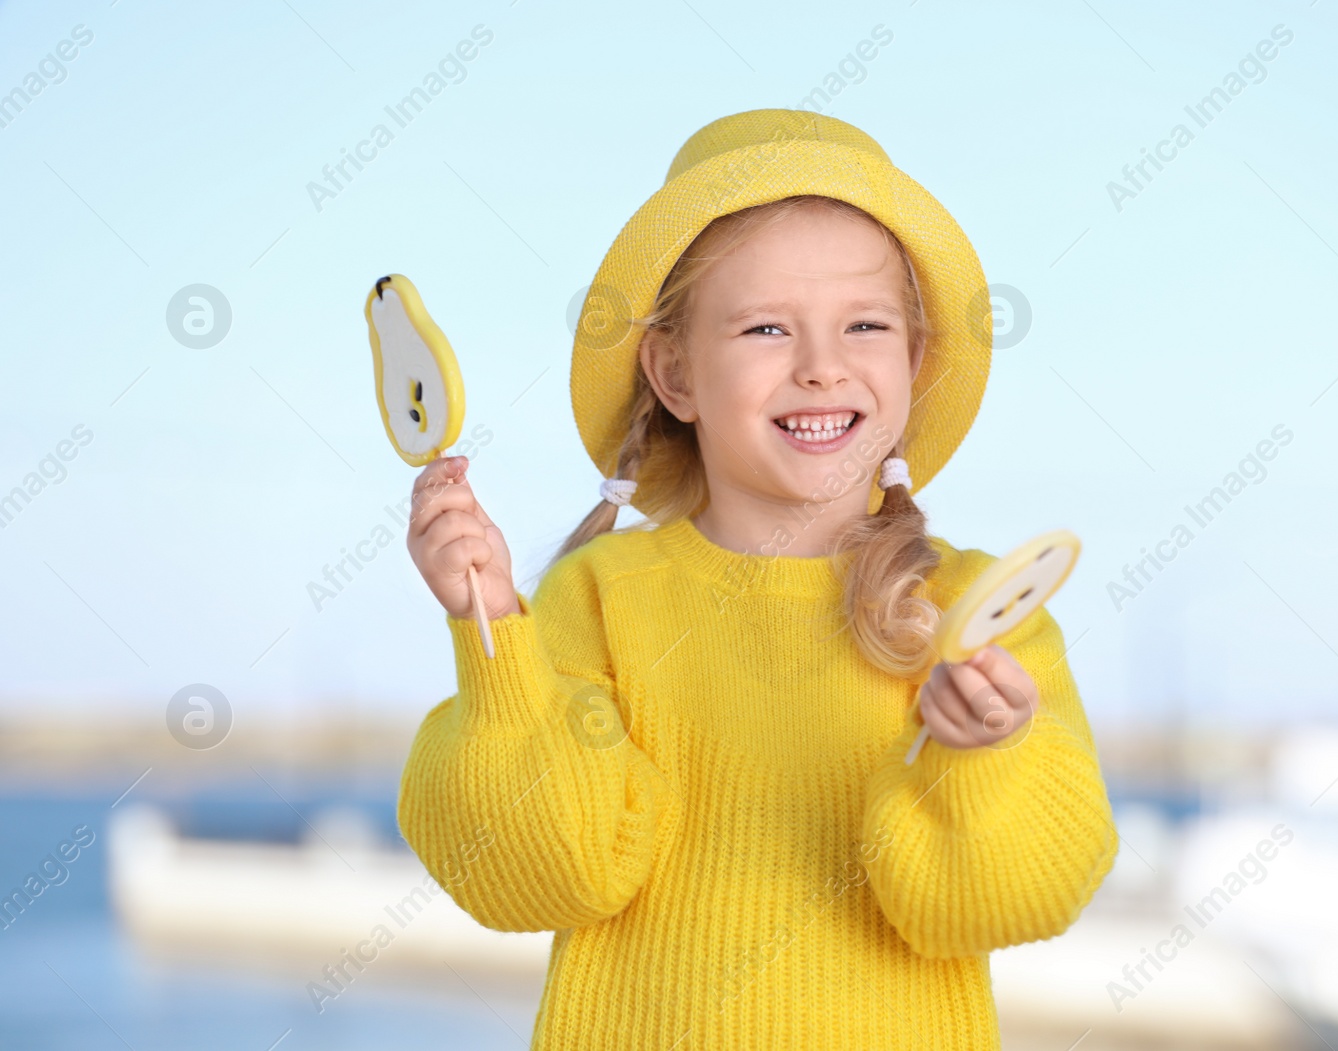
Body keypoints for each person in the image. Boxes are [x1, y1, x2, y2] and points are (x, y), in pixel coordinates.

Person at [397, 108, 1118, 1050]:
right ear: (674, 373)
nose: (822, 368)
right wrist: (493, 633)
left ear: (914, 358)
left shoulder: (975, 615)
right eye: (767, 327)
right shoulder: (597, 597)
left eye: (865, 324)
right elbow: (538, 876)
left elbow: (1010, 901)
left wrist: (984, 758)